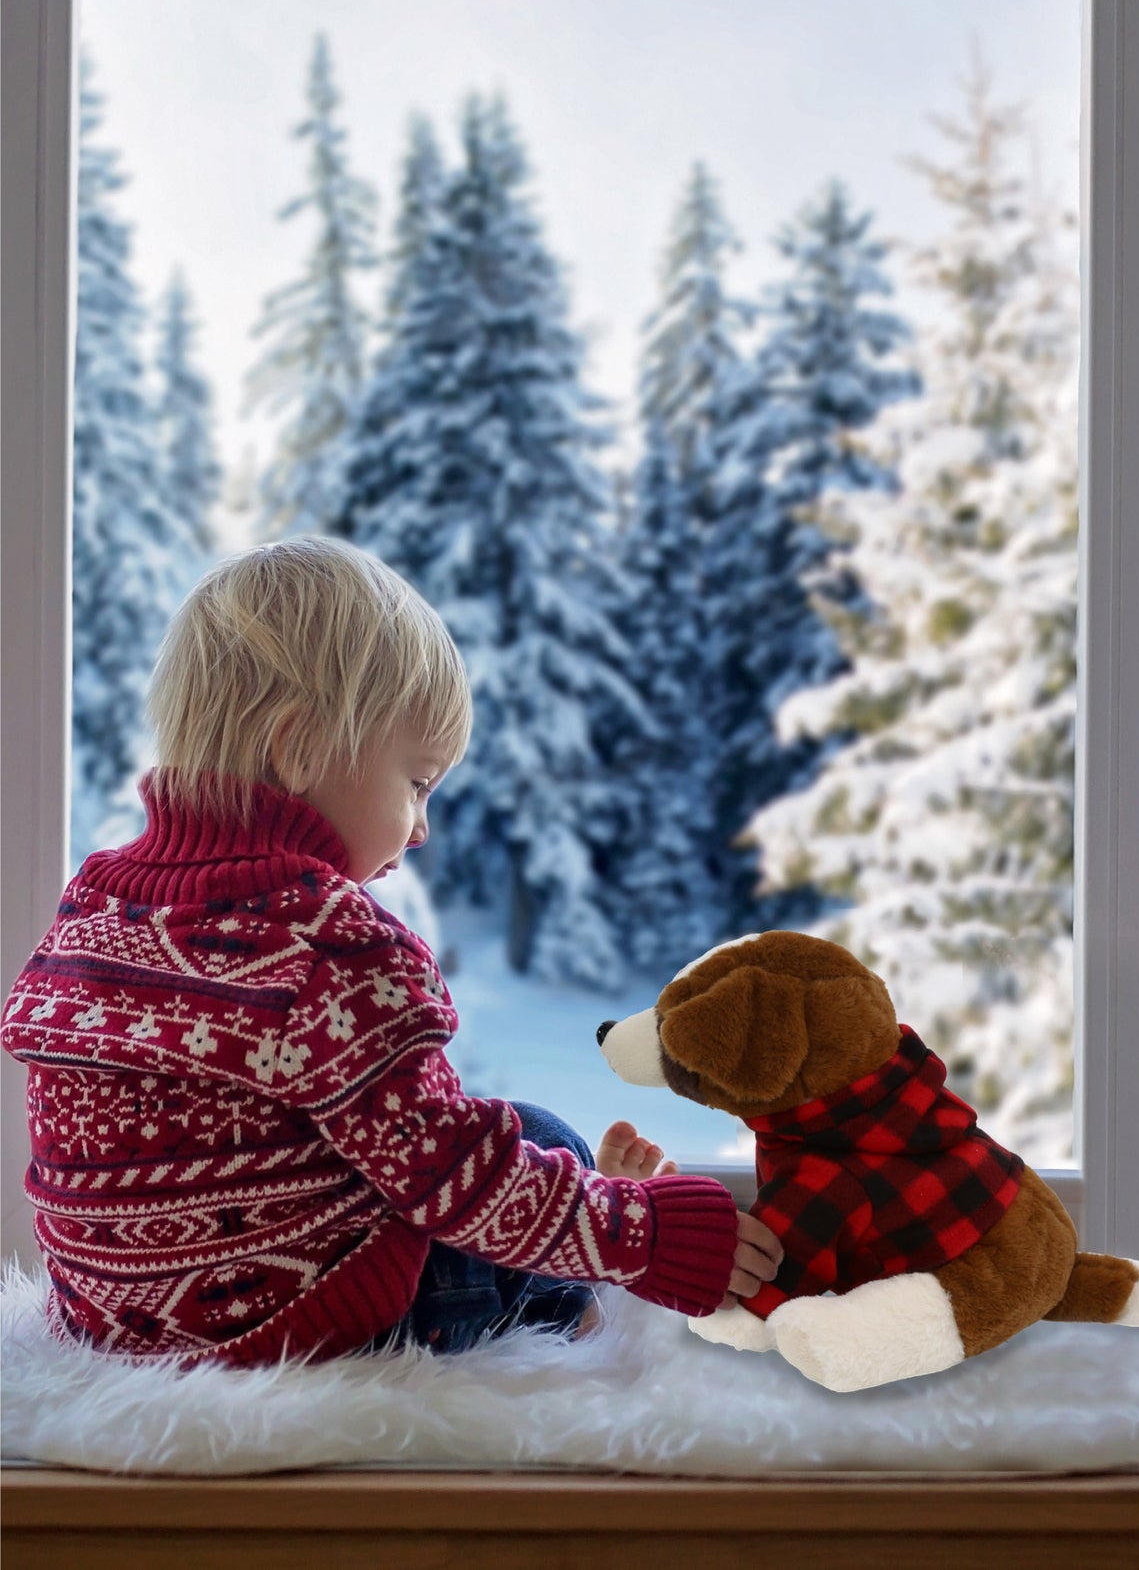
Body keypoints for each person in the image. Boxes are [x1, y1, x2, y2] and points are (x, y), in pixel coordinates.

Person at [1, 537, 780, 1364]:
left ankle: (580, 1230)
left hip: (108, 1321)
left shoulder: (94, 902)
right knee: (538, 1135)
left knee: (443, 1142)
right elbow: (454, 1179)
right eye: (416, 783)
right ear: (298, 748)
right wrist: (650, 1237)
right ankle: (574, 1297)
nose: (420, 828)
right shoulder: (332, 944)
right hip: (304, 1326)